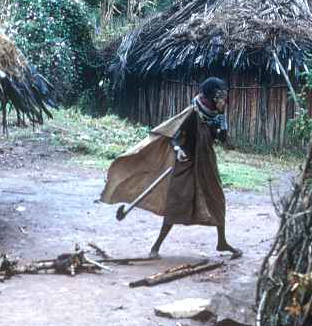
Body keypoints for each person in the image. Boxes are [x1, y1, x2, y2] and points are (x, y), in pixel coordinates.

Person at [100, 76, 242, 259]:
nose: (224, 100)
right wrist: (178, 150)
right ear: (211, 97)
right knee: (176, 204)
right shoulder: (193, 113)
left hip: (206, 164)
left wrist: (222, 120)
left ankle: (221, 242)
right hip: (187, 164)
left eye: (224, 97)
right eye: (221, 97)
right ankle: (155, 247)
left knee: (217, 200)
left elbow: (221, 139)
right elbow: (174, 136)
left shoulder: (215, 116)